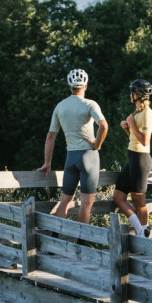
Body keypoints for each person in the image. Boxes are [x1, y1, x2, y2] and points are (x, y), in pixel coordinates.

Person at [37, 68, 109, 225]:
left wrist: (47, 162)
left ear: (69, 87)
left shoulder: (60, 106)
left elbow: (50, 136)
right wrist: (97, 144)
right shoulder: (90, 104)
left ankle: (54, 239)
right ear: (86, 86)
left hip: (71, 158)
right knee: (86, 204)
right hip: (89, 156)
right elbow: (104, 126)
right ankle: (81, 244)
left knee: (65, 201)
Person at [112, 79, 152, 237]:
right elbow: (134, 138)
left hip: (141, 160)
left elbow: (145, 141)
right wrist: (127, 128)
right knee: (118, 197)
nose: (130, 95)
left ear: (137, 95)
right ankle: (140, 230)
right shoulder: (137, 113)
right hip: (132, 158)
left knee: (138, 200)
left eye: (132, 92)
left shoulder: (147, 113)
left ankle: (143, 234)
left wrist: (132, 124)